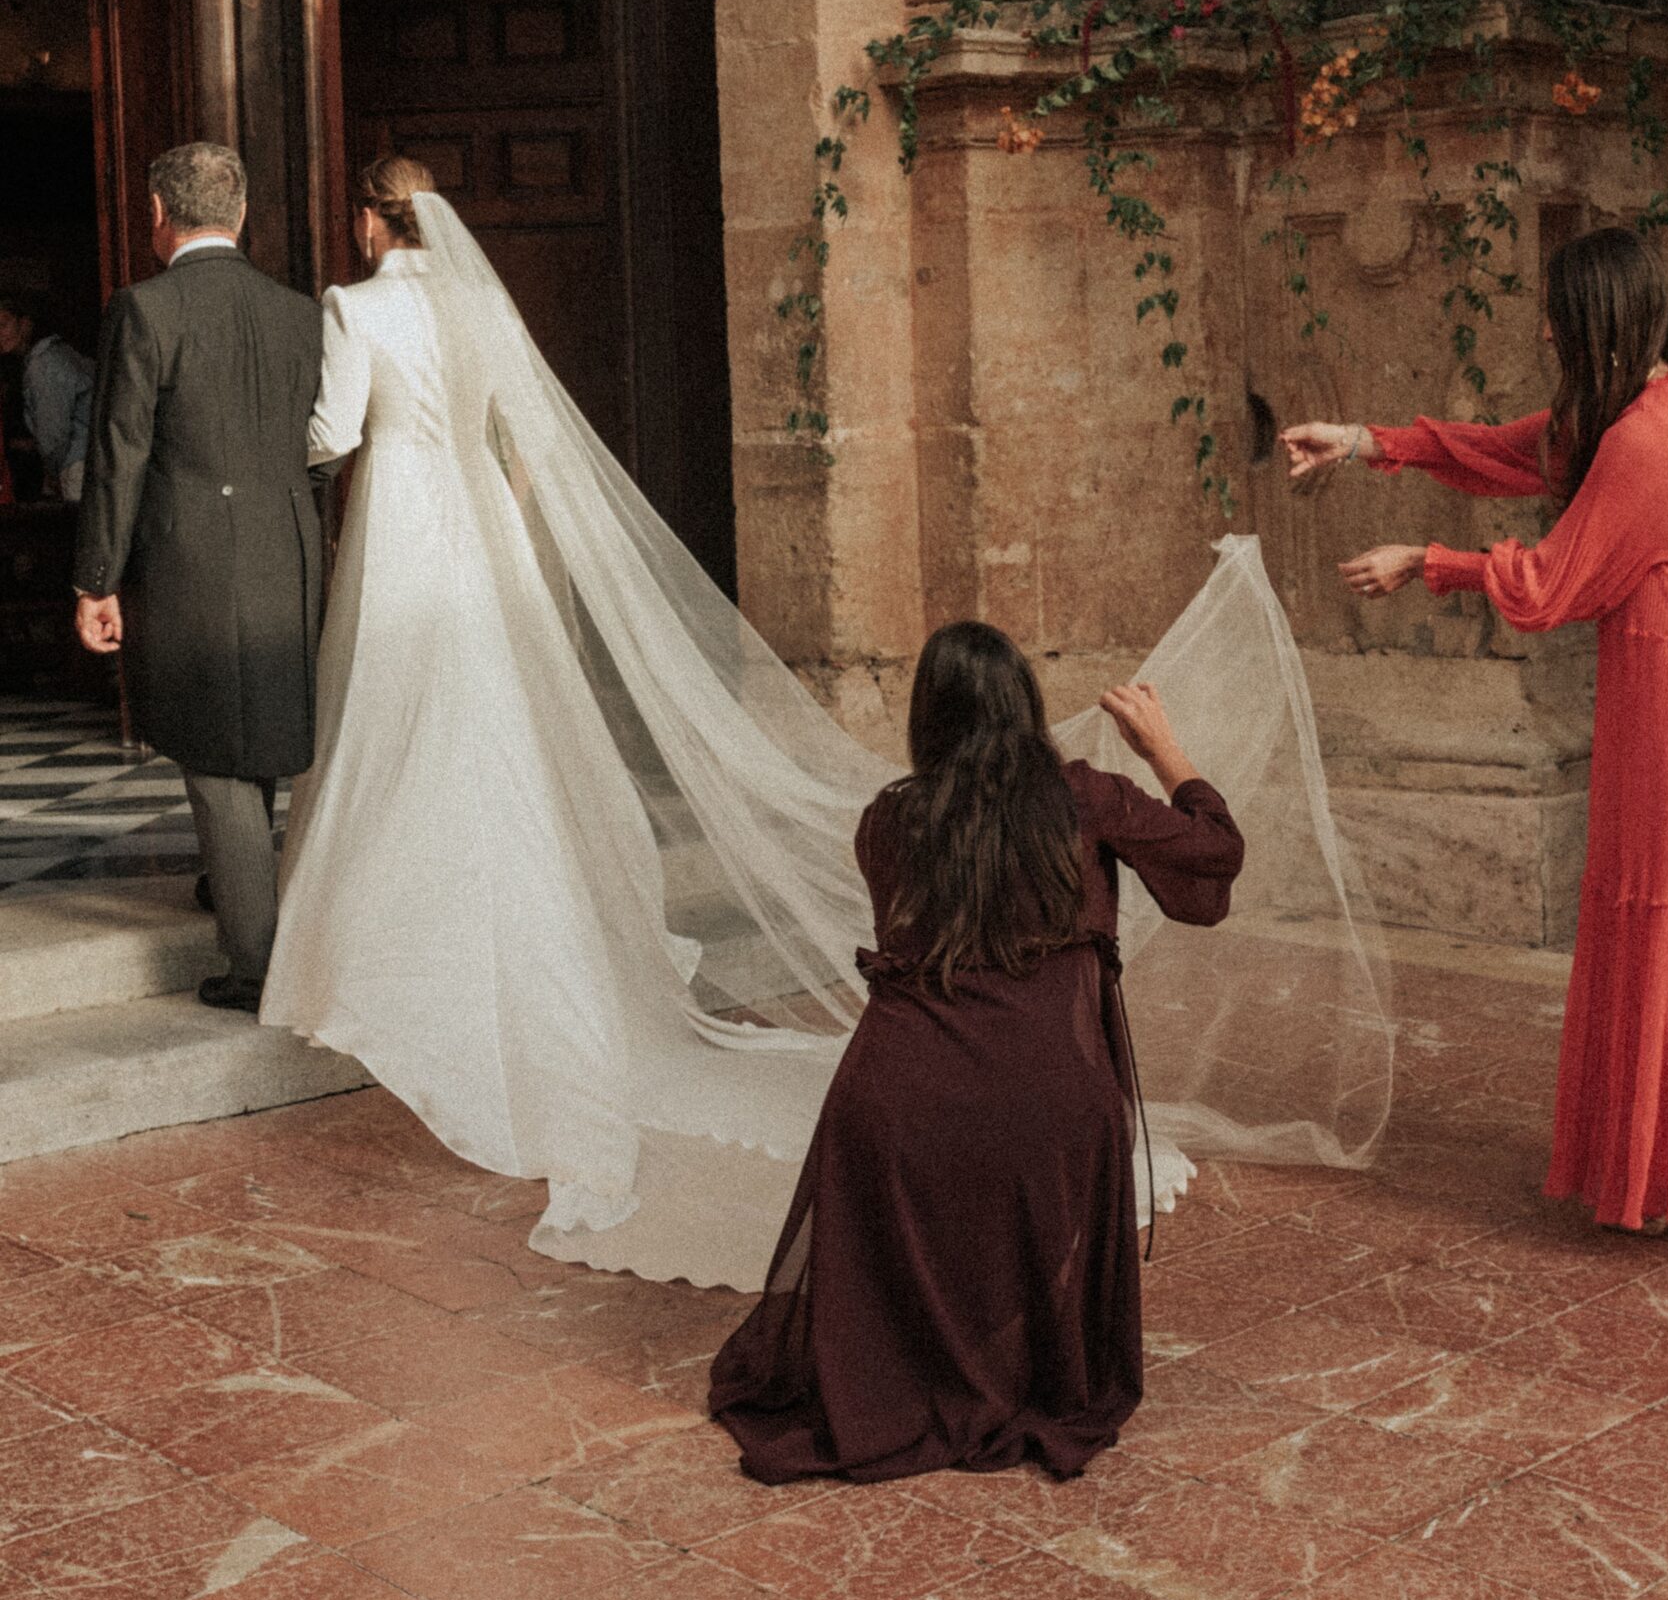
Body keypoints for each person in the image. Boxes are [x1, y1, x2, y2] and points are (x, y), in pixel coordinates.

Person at [265, 170, 1379, 1295]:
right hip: (479, 541)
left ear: (366, 220)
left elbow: (332, 430)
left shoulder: (355, 306)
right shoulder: (480, 305)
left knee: (396, 730)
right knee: (491, 740)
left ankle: (375, 937)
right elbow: (516, 444)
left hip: (406, 531)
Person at [1281, 226, 1668, 1236]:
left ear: (1596, 319)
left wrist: (1428, 562)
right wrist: (1363, 441)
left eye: (1557, 318)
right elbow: (1512, 448)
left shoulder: (1648, 440)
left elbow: (1550, 582)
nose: (1547, 335)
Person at [709, 632, 1242, 1483]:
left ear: (927, 716)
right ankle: (1013, 1376)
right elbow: (1214, 857)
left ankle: (923, 1379)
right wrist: (1162, 749)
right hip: (1051, 1097)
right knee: (1021, 1175)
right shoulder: (1084, 799)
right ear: (1025, 704)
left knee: (929, 1218)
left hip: (897, 1100)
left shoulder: (889, 820)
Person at [72, 143, 325, 1010]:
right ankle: (234, 883)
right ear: (241, 212)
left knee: (216, 747)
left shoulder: (145, 308)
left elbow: (119, 455)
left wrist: (96, 579)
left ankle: (255, 964)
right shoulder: (298, 312)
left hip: (192, 553)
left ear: (156, 213)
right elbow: (324, 444)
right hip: (287, 546)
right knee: (256, 721)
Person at [0, 290, 95, 503]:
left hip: (79, 466)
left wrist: (51, 472)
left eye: (3, 324)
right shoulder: (51, 357)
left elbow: (54, 434)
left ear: (25, 323)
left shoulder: (44, 364)